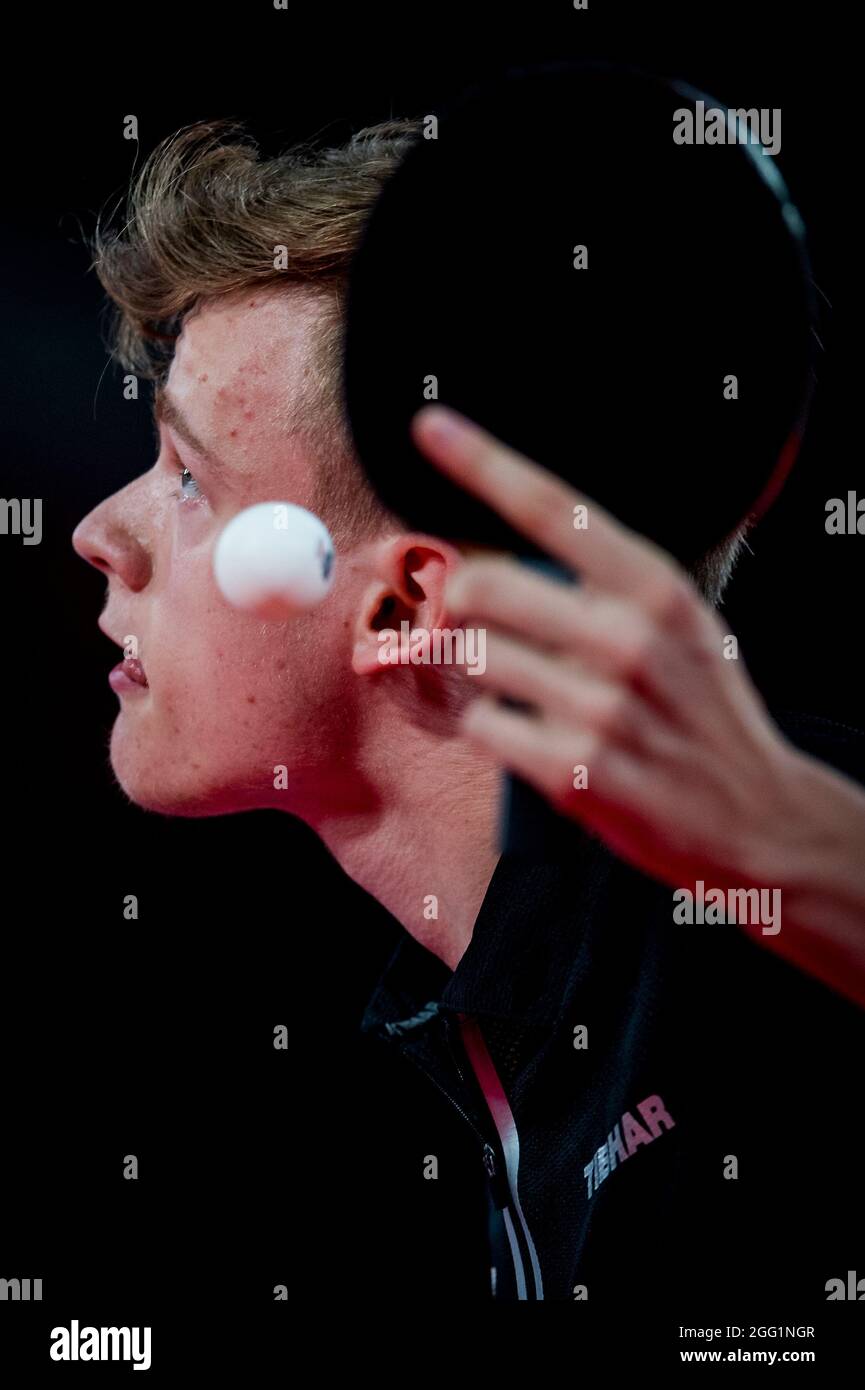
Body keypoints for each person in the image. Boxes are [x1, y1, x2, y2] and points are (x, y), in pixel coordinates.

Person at [72, 117, 865, 1306]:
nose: (100, 533)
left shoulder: (778, 908)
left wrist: (796, 843)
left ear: (404, 604)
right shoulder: (493, 1032)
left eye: (190, 478)